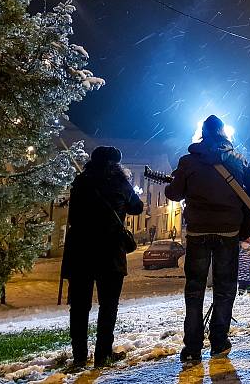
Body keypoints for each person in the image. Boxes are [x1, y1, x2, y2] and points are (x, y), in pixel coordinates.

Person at [166, 115, 250, 364]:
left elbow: (173, 193)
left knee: (194, 290)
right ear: (223, 134)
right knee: (224, 289)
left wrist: (181, 180)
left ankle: (191, 347)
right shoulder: (237, 160)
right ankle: (219, 341)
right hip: (228, 231)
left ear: (202, 134)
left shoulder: (188, 161)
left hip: (198, 232)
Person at [61, 146, 144, 368]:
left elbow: (74, 215)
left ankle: (79, 356)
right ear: (115, 164)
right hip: (110, 252)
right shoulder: (119, 183)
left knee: (79, 307)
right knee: (108, 306)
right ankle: (102, 355)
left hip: (80, 252)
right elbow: (137, 207)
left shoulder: (81, 181)